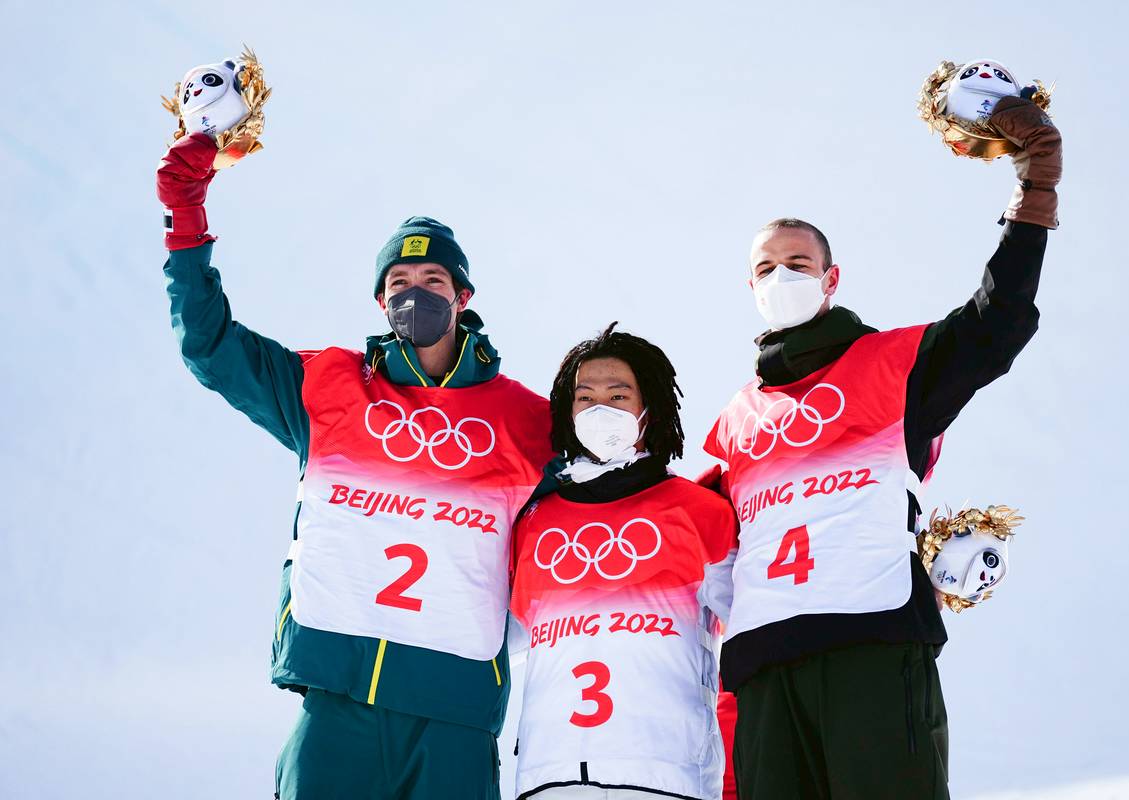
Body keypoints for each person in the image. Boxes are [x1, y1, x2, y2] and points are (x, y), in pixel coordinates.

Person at [156, 131, 555, 799]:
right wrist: (186, 213)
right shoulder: (326, 388)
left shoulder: (525, 419)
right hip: (338, 698)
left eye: (433, 280)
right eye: (400, 281)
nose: (416, 292)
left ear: (463, 296)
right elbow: (210, 345)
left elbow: (610, 491)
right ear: (380, 301)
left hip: (454, 713)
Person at [702, 94, 1062, 799]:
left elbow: (997, 322)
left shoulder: (892, 365)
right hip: (765, 671)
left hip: (871, 645)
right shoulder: (733, 423)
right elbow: (686, 544)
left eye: (799, 262)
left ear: (831, 279)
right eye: (767, 268)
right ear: (750, 286)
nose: (783, 278)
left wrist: (1037, 185)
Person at [509, 324, 738, 800]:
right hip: (549, 774)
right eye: (585, 397)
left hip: (666, 774)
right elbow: (490, 633)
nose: (599, 410)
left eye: (618, 396)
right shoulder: (533, 521)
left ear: (648, 410)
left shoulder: (698, 510)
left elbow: (761, 618)